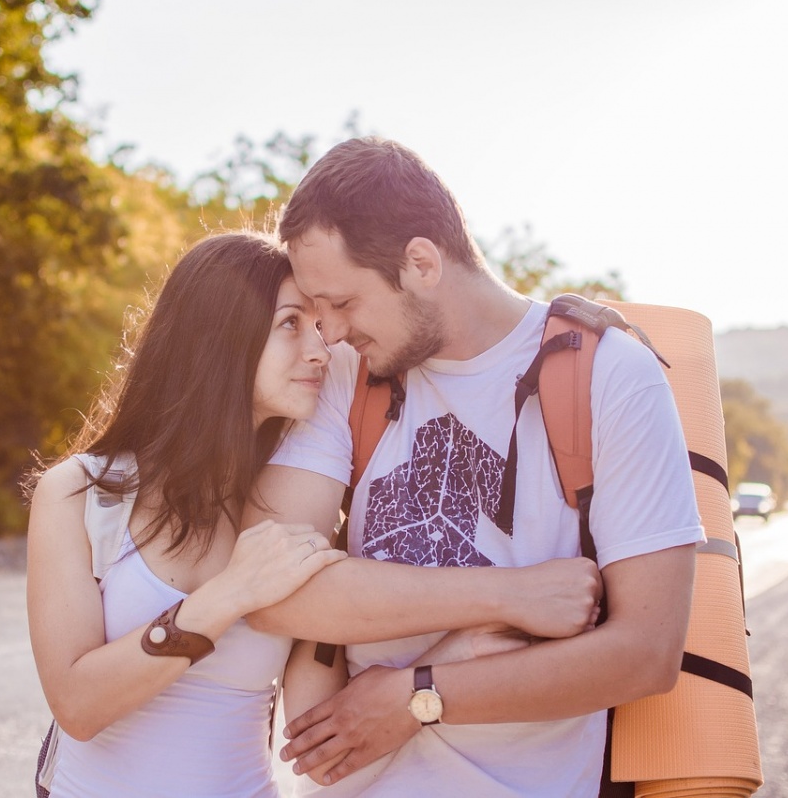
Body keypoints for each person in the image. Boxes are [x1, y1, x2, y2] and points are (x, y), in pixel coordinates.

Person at [242, 137, 705, 796]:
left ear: (421, 263)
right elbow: (271, 588)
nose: (332, 333)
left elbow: (646, 653)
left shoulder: (609, 376)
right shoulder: (349, 373)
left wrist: (416, 695)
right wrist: (504, 597)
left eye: (343, 303)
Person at [25, 231, 349, 797]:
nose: (320, 350)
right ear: (221, 338)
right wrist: (230, 595)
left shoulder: (295, 514)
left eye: (320, 328)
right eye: (291, 324)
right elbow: (77, 706)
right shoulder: (82, 494)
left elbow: (315, 730)